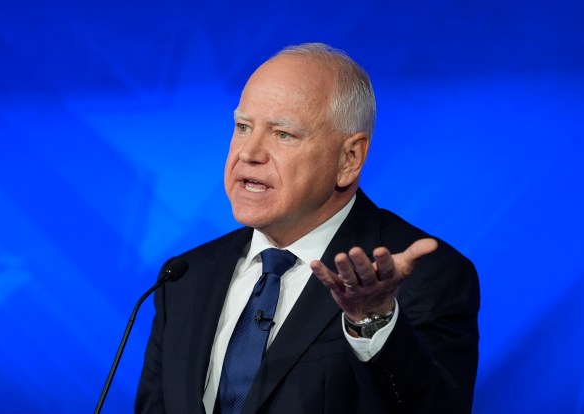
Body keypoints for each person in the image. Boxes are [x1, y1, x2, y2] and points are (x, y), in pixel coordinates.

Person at [136, 42, 479, 414]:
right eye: (243, 126)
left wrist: (373, 321)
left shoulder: (417, 276)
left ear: (349, 158)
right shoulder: (185, 277)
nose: (248, 153)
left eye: (283, 134)